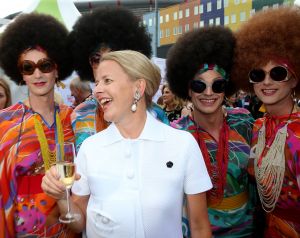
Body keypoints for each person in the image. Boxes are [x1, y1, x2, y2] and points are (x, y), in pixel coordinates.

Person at [42, 50, 213, 237]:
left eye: (107, 80)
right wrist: (62, 198)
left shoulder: (182, 144)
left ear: (138, 87)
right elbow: (79, 222)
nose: (97, 90)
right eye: (97, 82)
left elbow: (200, 227)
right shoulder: (90, 148)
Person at [167, 26, 256, 237]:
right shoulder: (177, 133)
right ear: (188, 89)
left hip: (247, 229)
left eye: (217, 85)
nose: (208, 93)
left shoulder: (243, 121)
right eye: (199, 85)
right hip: (199, 228)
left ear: (227, 88)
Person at [0, 13, 76, 237]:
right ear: (20, 74)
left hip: (71, 228)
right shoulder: (5, 122)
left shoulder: (74, 119)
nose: (37, 74)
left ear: (57, 69)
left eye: (45, 65)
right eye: (28, 67)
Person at [231, 6, 300, 237]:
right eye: (258, 74)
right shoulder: (259, 126)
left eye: (278, 73)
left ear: (294, 80)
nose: (267, 82)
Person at [68, 7, 168, 152]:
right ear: (88, 63)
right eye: (97, 59)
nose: (104, 64)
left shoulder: (156, 113)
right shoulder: (82, 113)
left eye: (113, 57)